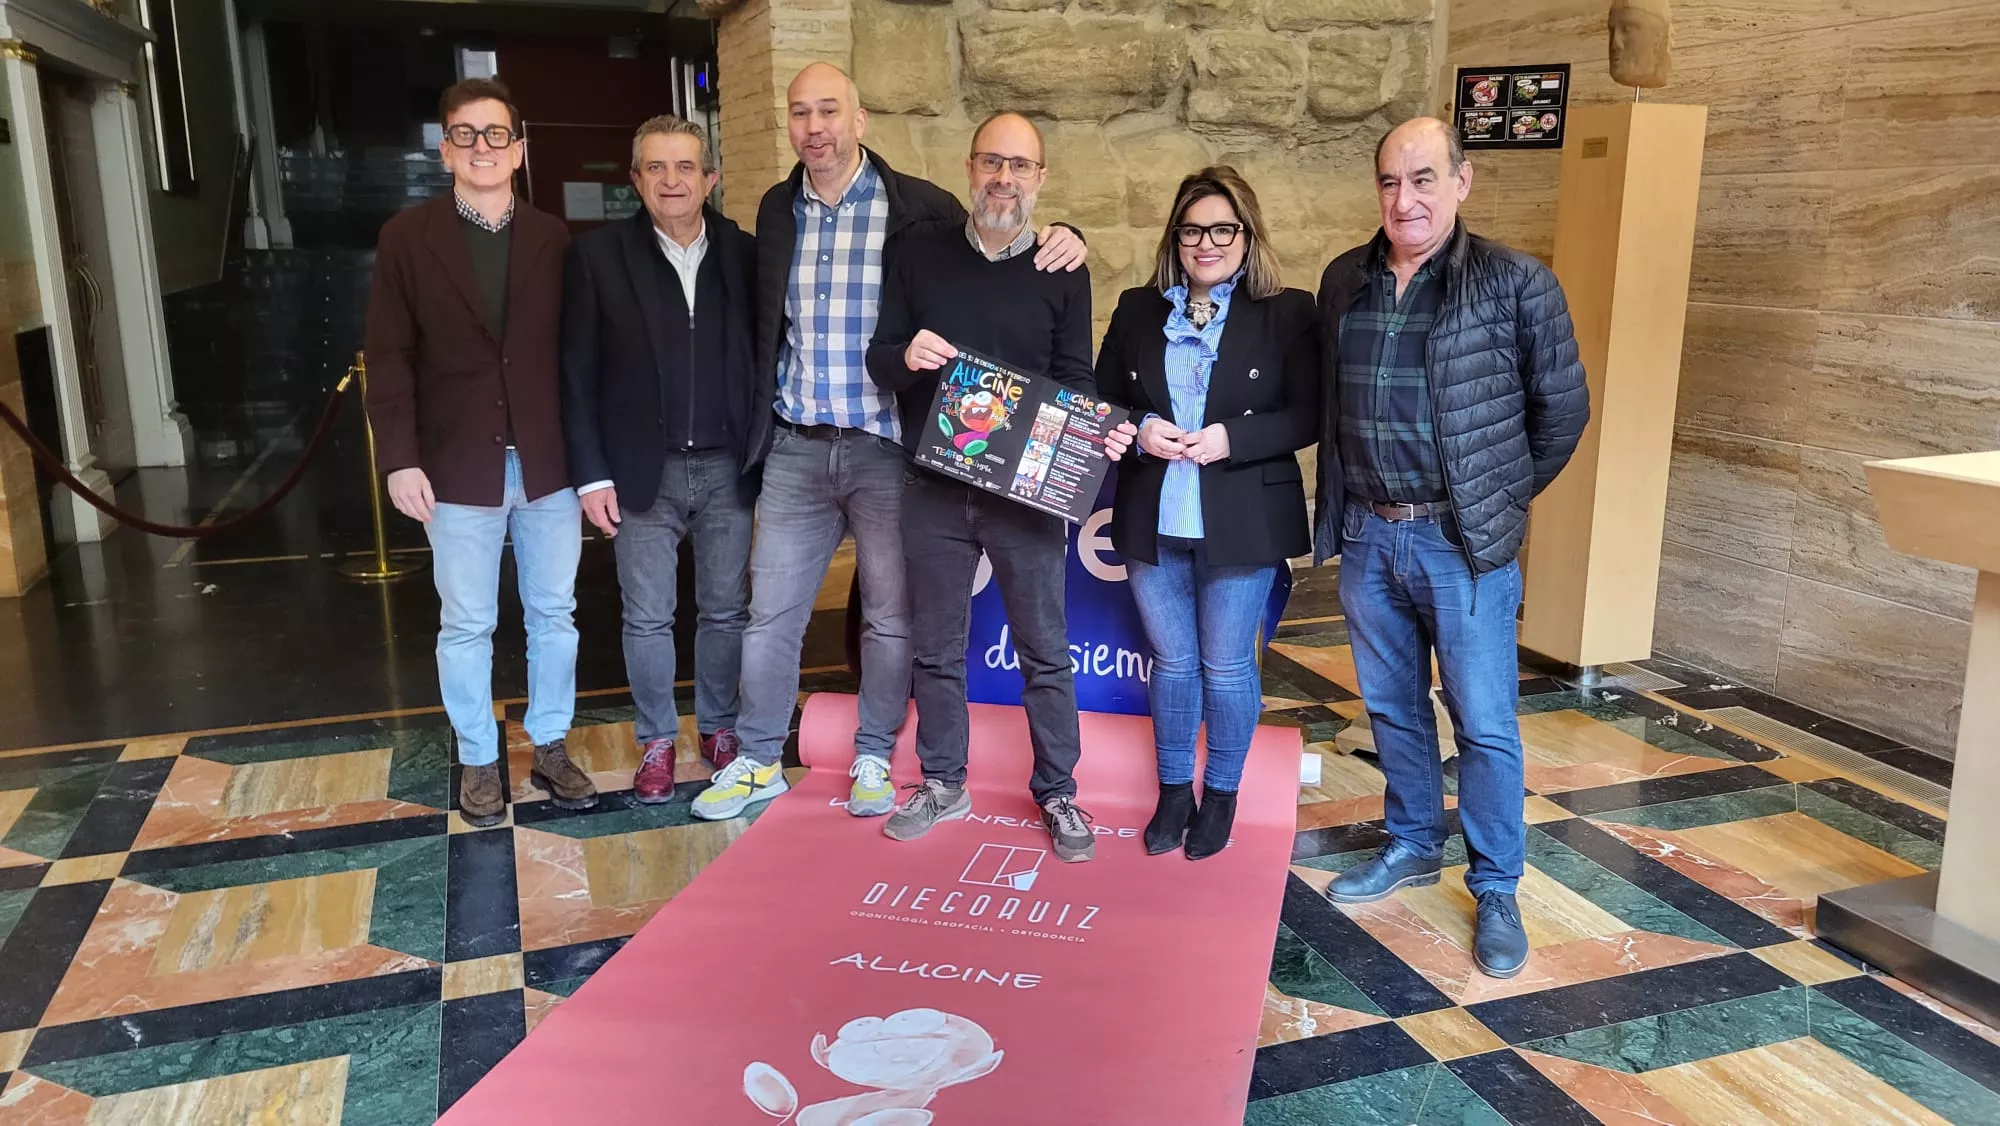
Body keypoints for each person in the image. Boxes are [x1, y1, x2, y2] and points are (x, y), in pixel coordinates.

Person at [690, 65, 1087, 823]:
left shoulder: (918, 210)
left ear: (860, 118)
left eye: (829, 110)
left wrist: (1071, 234)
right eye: (801, 112)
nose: (816, 126)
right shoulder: (777, 209)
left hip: (887, 447)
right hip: (799, 442)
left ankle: (877, 752)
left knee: (893, 618)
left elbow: (1004, 242)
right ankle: (756, 757)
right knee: (771, 612)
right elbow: (791, 326)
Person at [1315, 118, 1588, 978]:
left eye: (1424, 179)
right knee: (1393, 708)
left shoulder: (1517, 284)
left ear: (1462, 182)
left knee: (1484, 722)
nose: (1407, 200)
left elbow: (1563, 414)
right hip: (1368, 532)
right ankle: (1410, 842)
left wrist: (1492, 504)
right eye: (1392, 183)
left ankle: (1498, 885)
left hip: (1462, 543)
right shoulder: (1343, 280)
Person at [866, 112, 1136, 863]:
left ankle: (1058, 791)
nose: (1004, 179)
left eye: (1020, 166)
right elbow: (879, 359)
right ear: (969, 167)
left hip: (1026, 500)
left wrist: (1092, 431)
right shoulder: (919, 254)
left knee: (1046, 648)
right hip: (933, 486)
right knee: (937, 647)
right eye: (992, 162)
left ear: (1041, 179)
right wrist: (905, 355)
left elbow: (1076, 377)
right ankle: (942, 782)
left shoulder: (1062, 267)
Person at [365, 79, 595, 826]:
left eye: (497, 135)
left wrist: (593, 462)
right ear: (445, 149)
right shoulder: (408, 236)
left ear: (520, 149)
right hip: (456, 461)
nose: (482, 148)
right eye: (466, 135)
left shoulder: (554, 237)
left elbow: (574, 356)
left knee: (553, 613)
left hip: (548, 462)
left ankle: (551, 743)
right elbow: (389, 356)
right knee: (466, 623)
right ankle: (477, 757)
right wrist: (399, 457)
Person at [1094, 167, 1319, 860]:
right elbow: (1102, 399)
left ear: (1247, 236)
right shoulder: (1137, 307)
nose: (1206, 242)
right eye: (1193, 229)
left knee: (1225, 667)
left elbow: (1309, 413)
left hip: (1241, 516)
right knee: (1173, 663)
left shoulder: (1287, 311)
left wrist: (1231, 439)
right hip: (1152, 516)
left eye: (1223, 228)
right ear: (1176, 237)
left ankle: (1221, 791)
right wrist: (1138, 426)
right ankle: (1172, 791)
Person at [560, 116, 758, 803]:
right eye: (656, 168)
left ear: (710, 179)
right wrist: (589, 473)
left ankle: (720, 729)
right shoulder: (597, 258)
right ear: (636, 179)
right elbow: (576, 373)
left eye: (685, 168)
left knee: (725, 610)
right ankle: (655, 742)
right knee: (646, 616)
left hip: (729, 466)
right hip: (640, 470)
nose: (671, 181)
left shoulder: (745, 252)